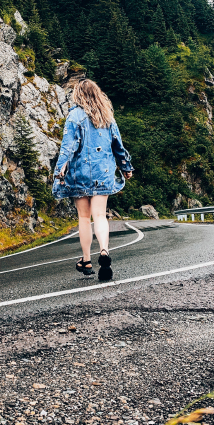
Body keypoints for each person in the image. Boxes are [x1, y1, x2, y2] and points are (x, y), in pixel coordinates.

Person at [52, 79, 134, 281]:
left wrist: (59, 170)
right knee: (100, 215)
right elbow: (118, 146)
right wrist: (126, 167)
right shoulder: (108, 117)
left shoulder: (74, 116)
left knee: (83, 217)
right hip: (102, 172)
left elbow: (68, 147)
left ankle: (86, 260)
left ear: (78, 95)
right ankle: (104, 252)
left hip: (79, 173)